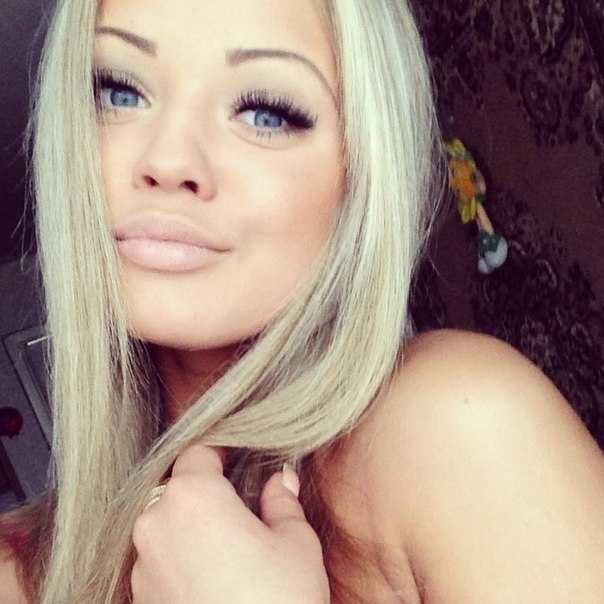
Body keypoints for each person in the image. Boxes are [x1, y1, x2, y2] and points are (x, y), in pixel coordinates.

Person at [1, 0, 603, 602]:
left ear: (360, 176)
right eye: (118, 93)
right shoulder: (17, 571)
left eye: (265, 112)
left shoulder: (458, 425)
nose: (167, 161)